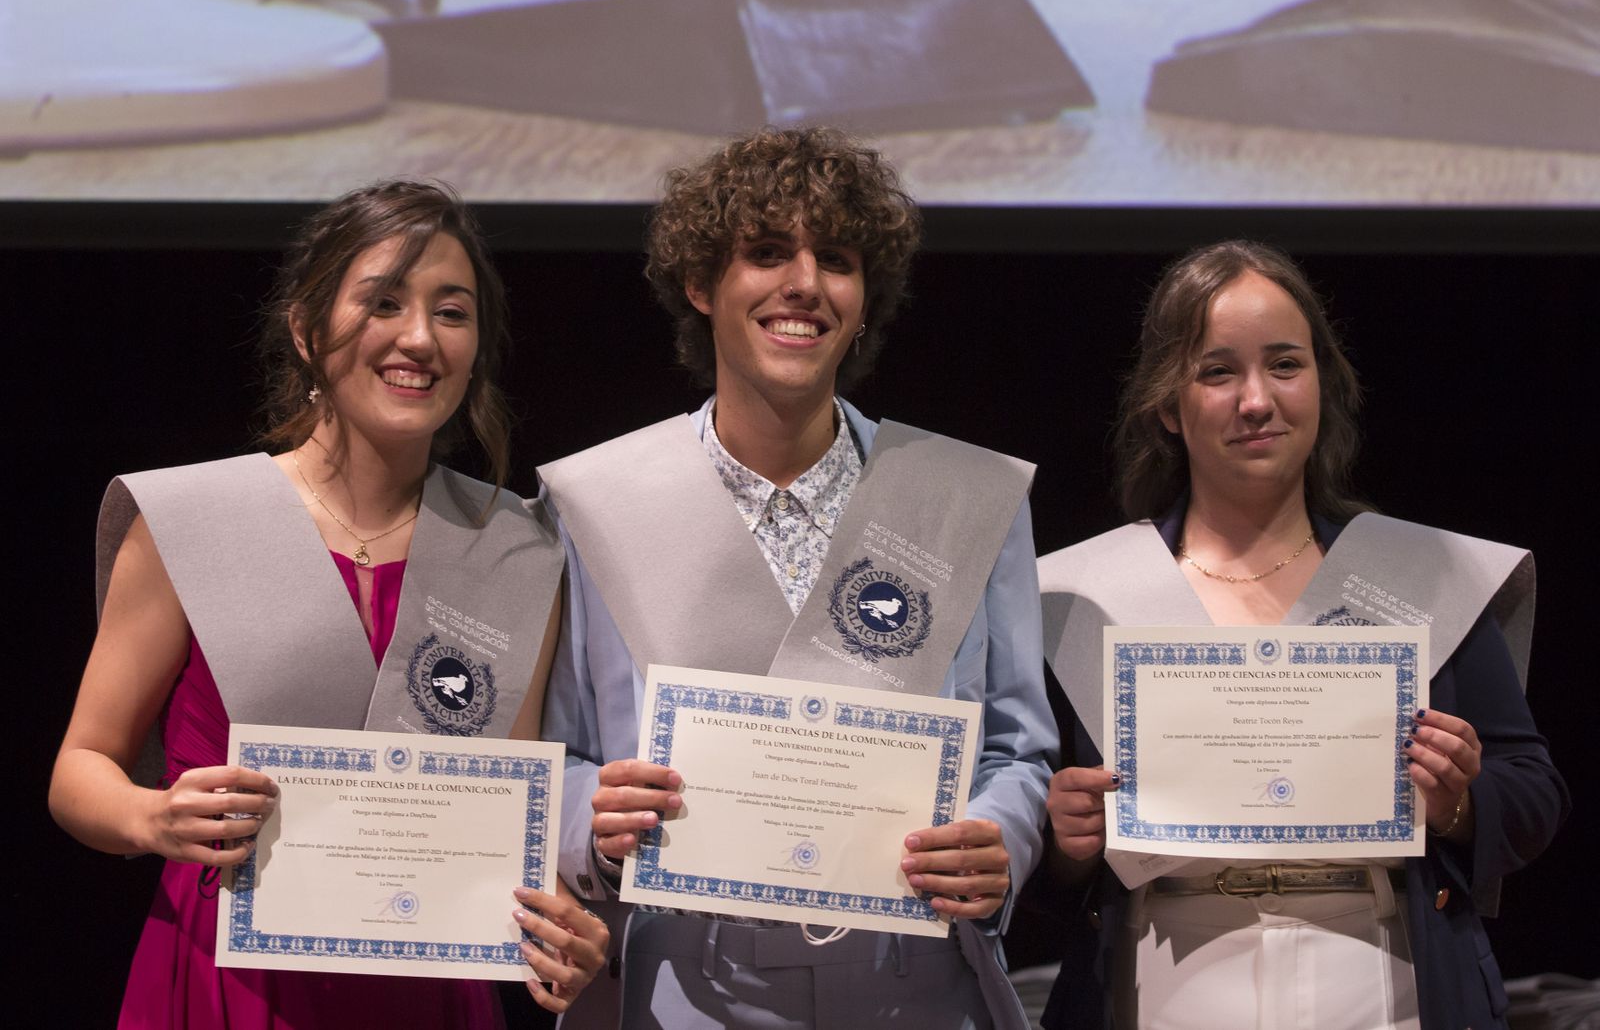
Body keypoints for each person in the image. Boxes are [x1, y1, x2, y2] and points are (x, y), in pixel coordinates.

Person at [49, 180, 609, 1027]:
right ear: (308, 331)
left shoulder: (517, 548)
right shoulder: (194, 521)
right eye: (383, 302)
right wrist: (154, 817)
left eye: (452, 313)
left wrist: (563, 930)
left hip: (428, 990)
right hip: (220, 983)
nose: (419, 337)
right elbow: (79, 771)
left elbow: (503, 818)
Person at [538, 126, 1055, 1029]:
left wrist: (1000, 837)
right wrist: (595, 818)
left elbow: (1018, 750)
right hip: (682, 984)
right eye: (768, 253)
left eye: (838, 260)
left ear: (864, 300)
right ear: (701, 284)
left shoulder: (965, 499)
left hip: (916, 980)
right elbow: (554, 760)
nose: (805, 284)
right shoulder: (596, 503)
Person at [1036, 240, 1568, 1030]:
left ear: (1324, 382)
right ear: (1168, 405)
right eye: (1218, 372)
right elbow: (1022, 822)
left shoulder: (1418, 575)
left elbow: (1534, 790)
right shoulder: (1080, 594)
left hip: (1380, 983)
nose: (1258, 400)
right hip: (1165, 983)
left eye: (1285, 364)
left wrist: (1458, 803)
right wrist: (1064, 844)